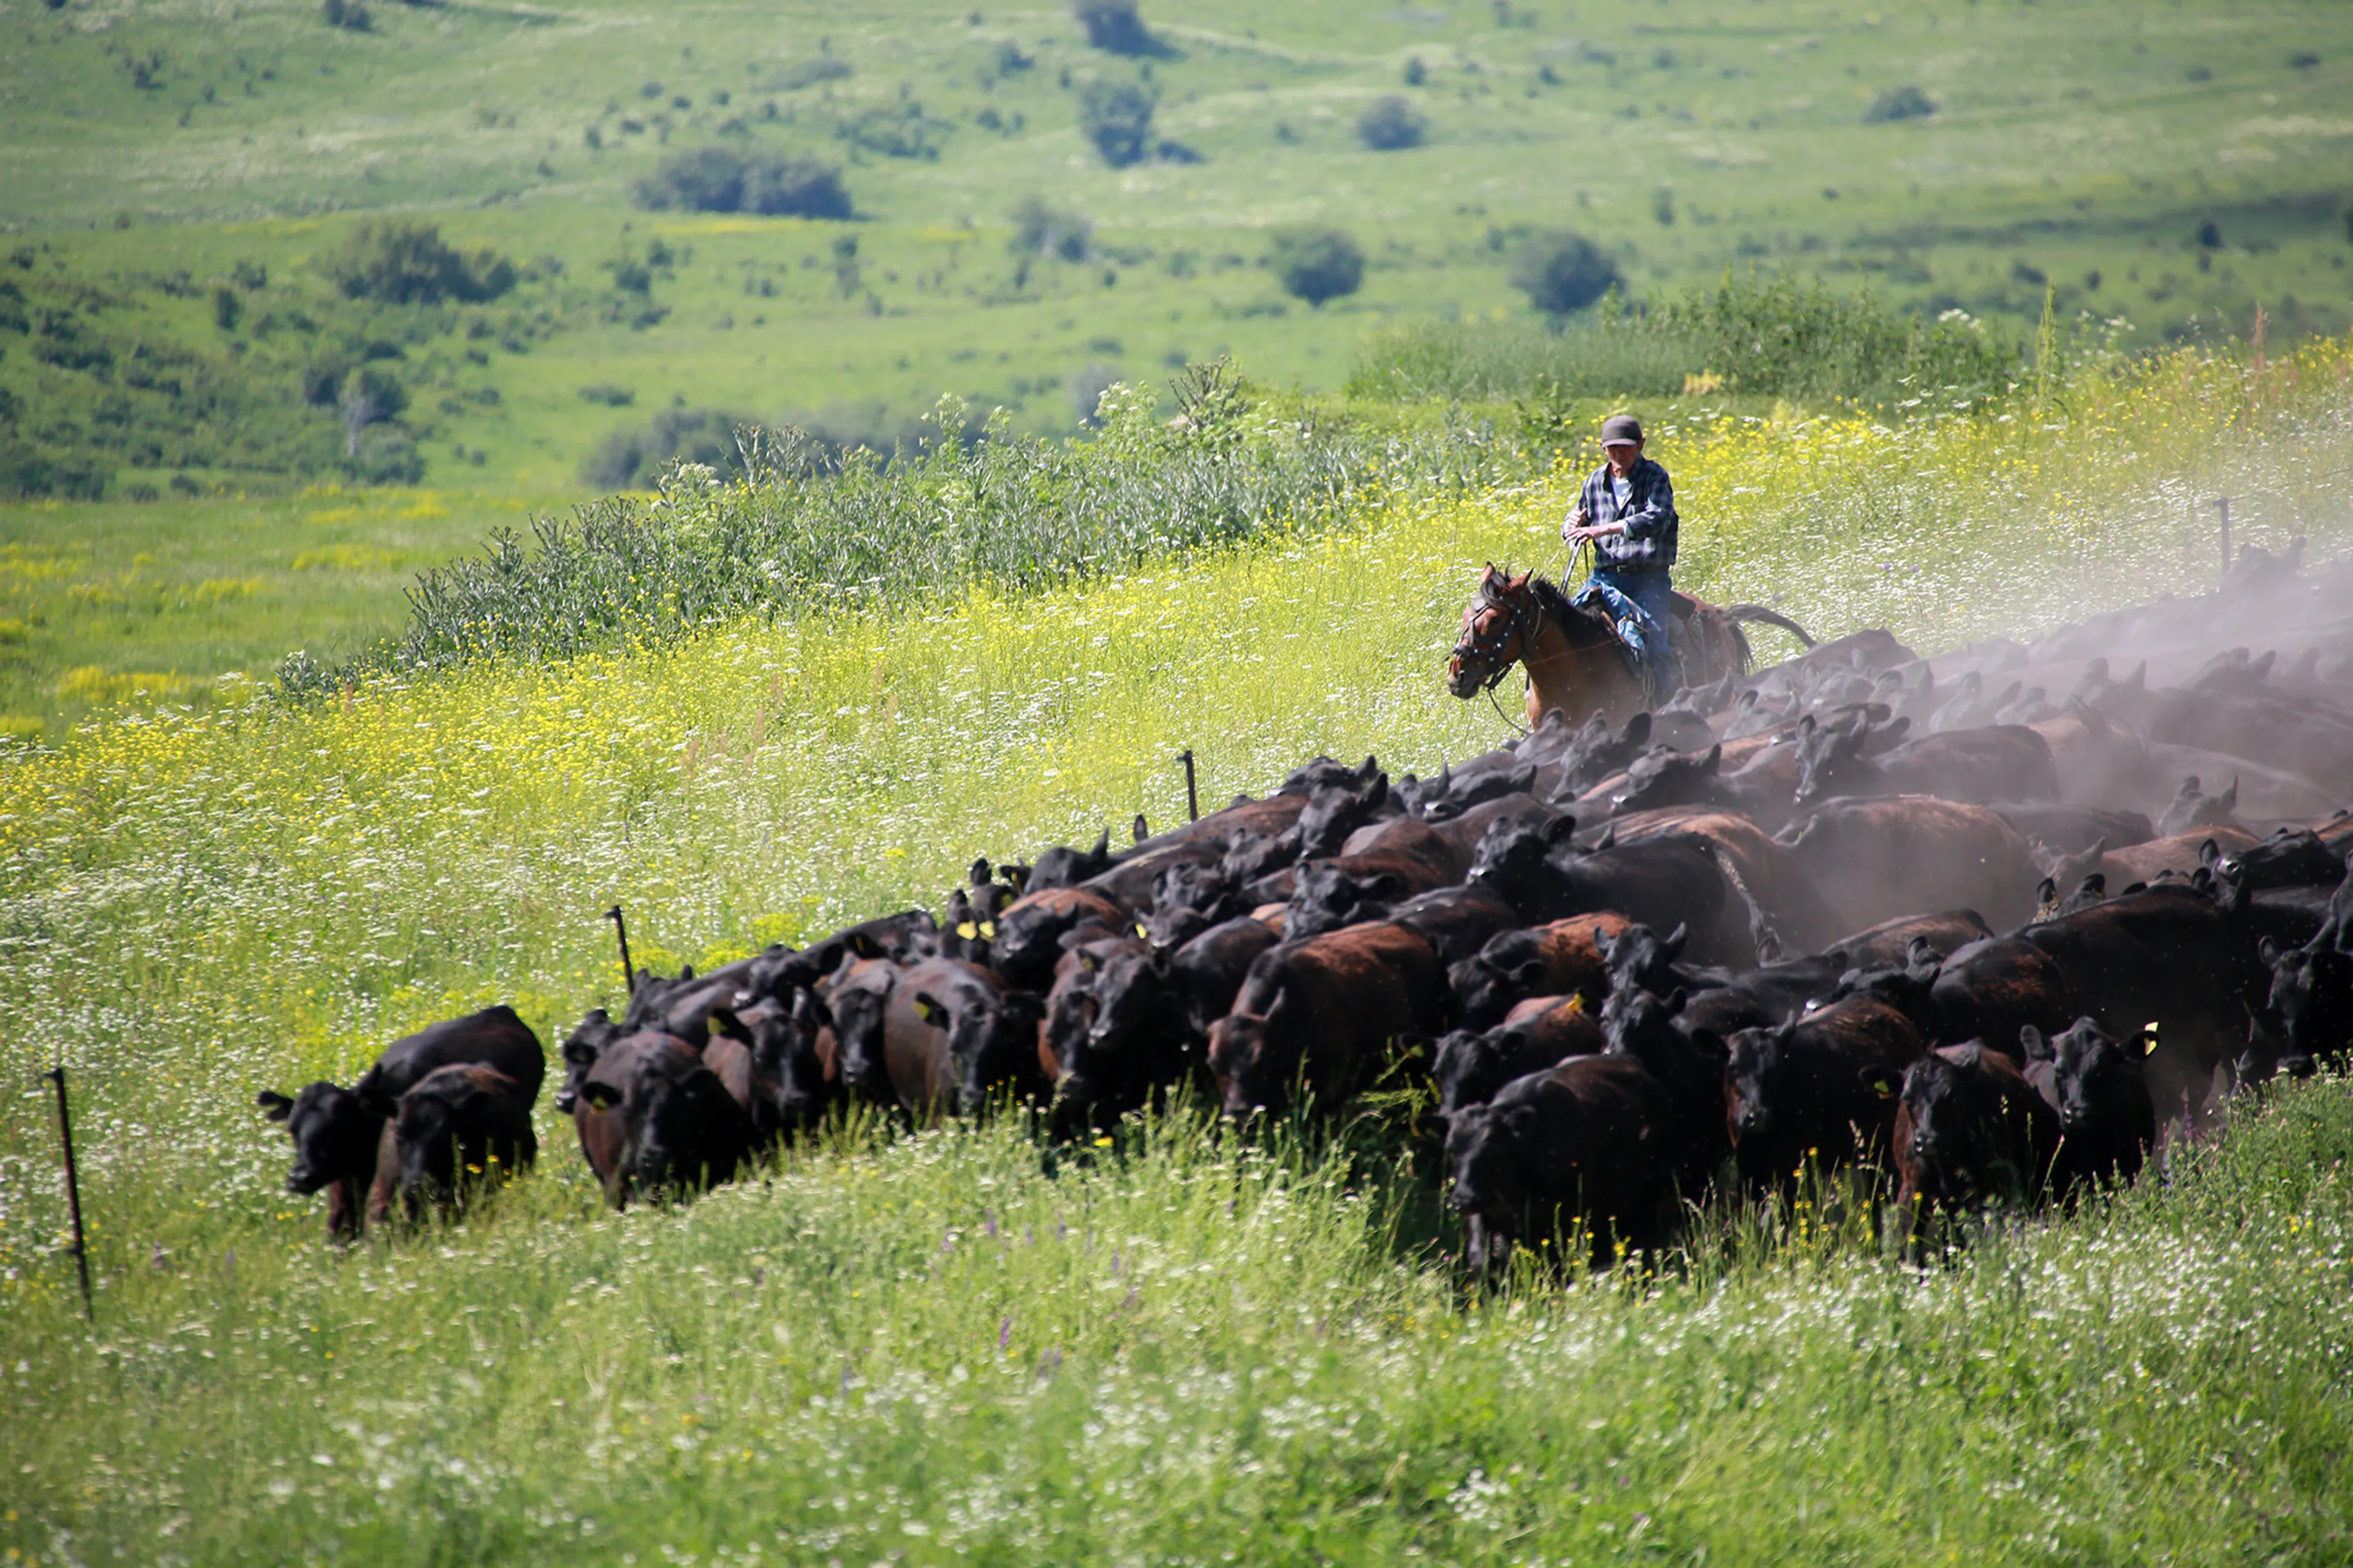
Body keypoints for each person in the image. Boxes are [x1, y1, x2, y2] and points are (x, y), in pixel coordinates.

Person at [1562, 412, 1678, 704]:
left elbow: (1659, 517)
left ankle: (1668, 706)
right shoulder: (1594, 482)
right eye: (1613, 448)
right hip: (1604, 578)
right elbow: (1578, 521)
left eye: (1626, 447)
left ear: (1640, 445)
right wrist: (1570, 526)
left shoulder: (1655, 477)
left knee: (1654, 644)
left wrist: (1605, 529)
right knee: (1563, 630)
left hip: (1647, 579)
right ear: (1603, 448)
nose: (1619, 454)